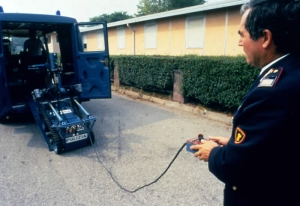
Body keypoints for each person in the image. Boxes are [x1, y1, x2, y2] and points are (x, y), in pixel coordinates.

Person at [190, 0, 300, 205]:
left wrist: (213, 152)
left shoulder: (273, 91)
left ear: (265, 38)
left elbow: (235, 167)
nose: (240, 42)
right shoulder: (291, 72)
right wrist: (235, 144)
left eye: (242, 35)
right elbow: (278, 146)